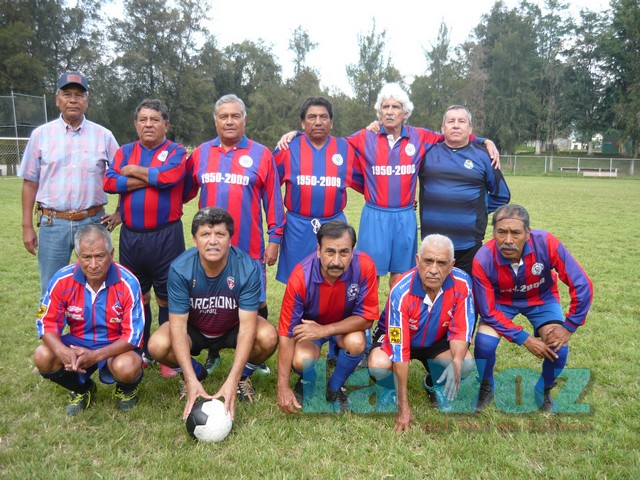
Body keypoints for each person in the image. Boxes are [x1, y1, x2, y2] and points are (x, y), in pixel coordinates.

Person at [184, 94, 284, 374]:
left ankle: (255, 355)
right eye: (223, 116)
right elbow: (184, 192)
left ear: (244, 119)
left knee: (257, 300)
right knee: (213, 298)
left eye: (235, 116)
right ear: (215, 120)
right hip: (211, 248)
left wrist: (274, 239)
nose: (229, 121)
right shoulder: (201, 153)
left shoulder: (261, 154)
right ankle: (213, 351)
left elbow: (274, 201)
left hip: (248, 246)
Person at [147, 207, 278, 420]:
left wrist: (232, 379)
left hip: (231, 328)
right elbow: (178, 327)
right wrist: (190, 378)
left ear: (230, 238)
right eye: (205, 234)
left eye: (220, 234)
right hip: (195, 329)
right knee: (157, 344)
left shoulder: (247, 268)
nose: (213, 241)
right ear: (194, 239)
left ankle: (243, 378)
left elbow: (247, 329)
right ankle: (194, 375)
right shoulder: (181, 269)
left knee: (268, 335)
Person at [472, 204, 593, 412]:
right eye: (502, 232)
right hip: (502, 302)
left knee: (558, 347)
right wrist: (525, 339)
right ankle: (486, 386)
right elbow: (488, 311)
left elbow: (582, 284)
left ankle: (543, 389)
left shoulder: (546, 242)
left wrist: (569, 326)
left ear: (528, 233)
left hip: (541, 298)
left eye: (515, 232)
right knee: (484, 342)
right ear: (493, 233)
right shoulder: (482, 259)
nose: (508, 239)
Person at [103, 99, 188, 377]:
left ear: (166, 124)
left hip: (166, 237)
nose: (148, 124)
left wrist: (131, 171)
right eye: (143, 119)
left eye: (154, 119)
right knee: (138, 297)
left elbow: (172, 176)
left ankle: (165, 353)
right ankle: (140, 350)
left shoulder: (176, 150)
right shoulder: (125, 151)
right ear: (136, 124)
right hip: (132, 237)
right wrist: (151, 177)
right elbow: (108, 182)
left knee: (168, 298)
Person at [19, 71, 120, 299]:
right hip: (54, 222)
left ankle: (94, 332)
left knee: (98, 283)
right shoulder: (40, 136)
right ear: (57, 99)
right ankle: (53, 334)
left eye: (79, 95)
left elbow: (122, 176)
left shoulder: (104, 136)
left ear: (87, 101)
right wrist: (27, 226)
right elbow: (29, 182)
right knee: (52, 287)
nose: (73, 99)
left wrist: (119, 211)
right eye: (67, 94)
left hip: (92, 220)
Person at [33, 224, 144, 416]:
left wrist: (97, 355)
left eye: (100, 256)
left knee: (126, 367)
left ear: (111, 253)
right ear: (78, 256)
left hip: (114, 345)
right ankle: (82, 389)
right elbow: (46, 322)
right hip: (78, 341)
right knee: (43, 356)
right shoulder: (62, 280)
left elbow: (133, 336)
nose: (93, 264)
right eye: (86, 257)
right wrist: (63, 352)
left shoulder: (128, 283)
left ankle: (126, 389)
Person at [368, 234, 476, 431]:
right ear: (418, 260)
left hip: (436, 340)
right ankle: (392, 390)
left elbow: (461, 330)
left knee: (466, 363)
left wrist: (457, 362)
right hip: (401, 338)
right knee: (377, 365)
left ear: (451, 265)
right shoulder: (400, 291)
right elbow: (399, 347)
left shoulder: (462, 283)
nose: (434, 270)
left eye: (441, 263)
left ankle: (433, 384)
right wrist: (403, 406)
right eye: (428, 261)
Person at [276, 221, 379, 414]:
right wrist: (282, 386)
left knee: (358, 342)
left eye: (344, 252)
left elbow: (367, 318)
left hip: (343, 328)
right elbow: (286, 333)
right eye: (330, 252)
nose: (337, 261)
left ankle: (335, 386)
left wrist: (324, 329)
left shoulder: (365, 266)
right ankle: (309, 378)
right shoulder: (300, 277)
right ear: (318, 250)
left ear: (352, 251)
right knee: (300, 360)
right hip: (310, 331)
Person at [274, 96, 362, 284]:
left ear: (331, 123)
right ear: (303, 123)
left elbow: (369, 181)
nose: (318, 122)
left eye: (323, 117)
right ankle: (297, 314)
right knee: (297, 279)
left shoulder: (345, 149)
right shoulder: (288, 148)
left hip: (334, 224)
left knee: (335, 277)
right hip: (297, 226)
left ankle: (330, 314)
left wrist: (403, 198)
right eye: (312, 117)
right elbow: (267, 186)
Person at [418, 105, 511, 275]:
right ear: (442, 128)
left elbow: (502, 196)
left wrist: (476, 209)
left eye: (461, 121)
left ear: (470, 128)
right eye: (450, 121)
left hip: (468, 244)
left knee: (467, 293)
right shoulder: (426, 153)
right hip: (433, 243)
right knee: (432, 293)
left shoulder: (484, 156)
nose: (455, 125)